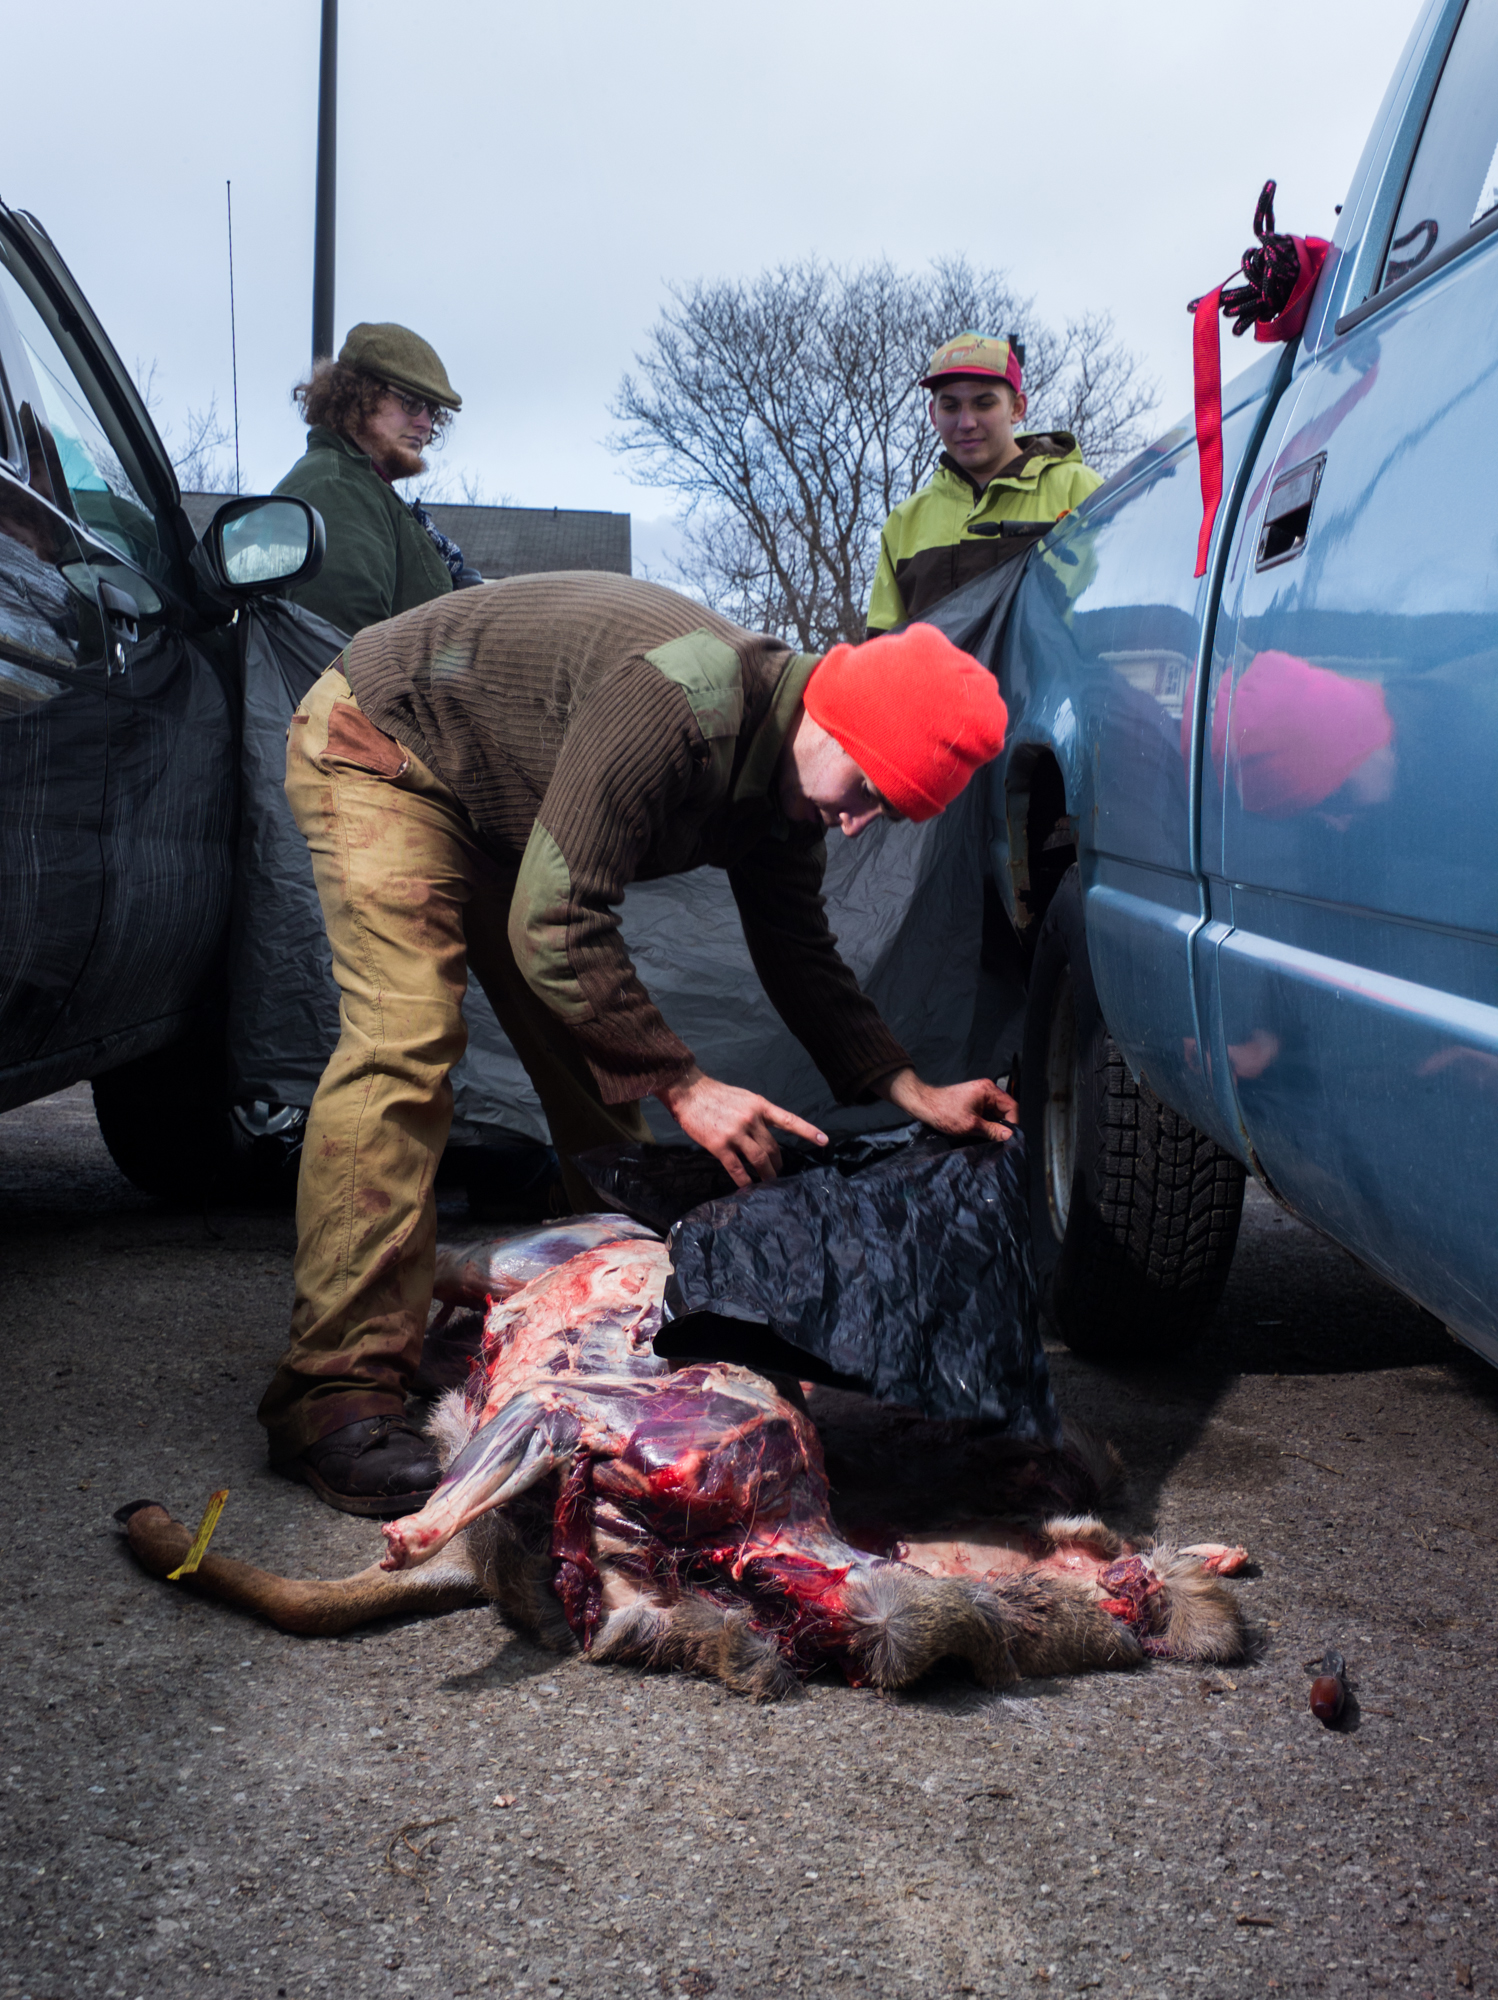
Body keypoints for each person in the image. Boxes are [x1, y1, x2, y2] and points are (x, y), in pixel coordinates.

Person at [257, 574, 1014, 1517]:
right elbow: (558, 919)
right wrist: (686, 1083)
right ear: (830, 718)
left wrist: (908, 1088)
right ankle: (334, 1396)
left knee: (596, 1068)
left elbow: (801, 954)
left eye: (888, 816)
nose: (860, 821)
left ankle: (587, 1333)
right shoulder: (682, 704)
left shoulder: (789, 795)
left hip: (503, 804)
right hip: (388, 744)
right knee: (406, 1041)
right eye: (867, 791)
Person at [865, 332, 1104, 636]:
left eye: (984, 403)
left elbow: (1120, 598)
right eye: (950, 406)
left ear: (1017, 408)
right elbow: (880, 652)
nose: (966, 422)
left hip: (1058, 684)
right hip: (938, 687)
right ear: (933, 415)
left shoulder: (1080, 489)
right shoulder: (904, 522)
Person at [274, 321, 480, 638]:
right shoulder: (336, 487)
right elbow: (346, 656)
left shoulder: (365, 485)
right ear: (359, 395)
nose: (425, 423)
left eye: (432, 410)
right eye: (410, 402)